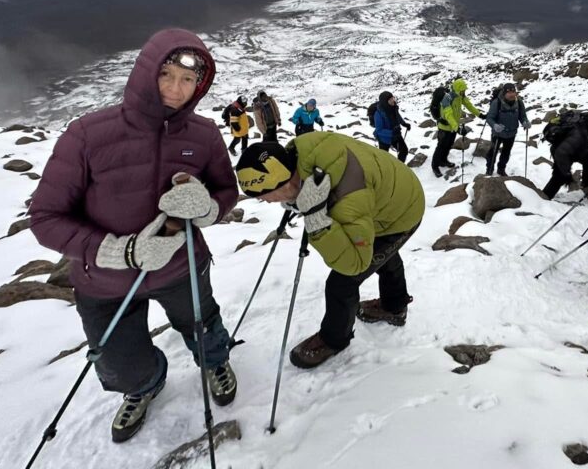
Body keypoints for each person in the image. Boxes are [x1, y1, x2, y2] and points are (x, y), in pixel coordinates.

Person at [29, 30, 239, 443]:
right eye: (166, 74)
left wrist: (208, 208)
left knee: (203, 325)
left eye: (187, 80)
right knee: (119, 362)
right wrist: (119, 251)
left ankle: (214, 360)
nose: (175, 89)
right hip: (105, 281)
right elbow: (45, 217)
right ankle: (143, 384)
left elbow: (225, 191)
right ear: (146, 73)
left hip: (181, 267)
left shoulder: (204, 135)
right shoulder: (88, 134)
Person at [235, 133, 424, 368]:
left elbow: (355, 262)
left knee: (342, 282)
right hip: (393, 193)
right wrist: (299, 199)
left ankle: (334, 339)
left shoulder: (346, 196)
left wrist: (316, 219)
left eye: (264, 195)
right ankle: (395, 306)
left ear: (283, 182)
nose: (266, 202)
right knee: (382, 253)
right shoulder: (303, 154)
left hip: (402, 212)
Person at [541, 110, 588, 199]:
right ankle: (544, 198)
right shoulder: (578, 134)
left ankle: (587, 187)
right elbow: (561, 153)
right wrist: (566, 173)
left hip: (576, 149)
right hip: (561, 151)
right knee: (560, 176)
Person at [430, 78, 483, 178]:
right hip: (444, 127)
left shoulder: (460, 96)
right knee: (441, 146)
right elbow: (448, 115)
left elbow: (469, 105)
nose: (464, 92)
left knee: (448, 145)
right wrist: (457, 128)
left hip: (453, 127)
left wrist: (480, 115)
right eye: (463, 90)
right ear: (458, 89)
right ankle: (435, 166)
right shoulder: (447, 98)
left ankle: (444, 160)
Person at [484, 83, 531, 176]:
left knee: (506, 153)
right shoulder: (496, 103)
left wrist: (525, 122)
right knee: (493, 152)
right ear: (504, 93)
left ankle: (501, 169)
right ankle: (489, 169)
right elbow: (489, 118)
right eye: (509, 92)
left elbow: (522, 116)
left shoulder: (519, 102)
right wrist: (495, 126)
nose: (512, 94)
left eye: (513, 92)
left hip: (511, 133)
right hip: (498, 133)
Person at [373, 90, 412, 162]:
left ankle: (399, 167)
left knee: (404, 151)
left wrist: (403, 123)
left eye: (393, 98)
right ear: (385, 101)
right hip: (384, 138)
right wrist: (392, 132)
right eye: (390, 99)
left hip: (396, 134)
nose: (393, 100)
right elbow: (379, 130)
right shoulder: (378, 114)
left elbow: (397, 116)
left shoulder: (393, 108)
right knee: (384, 157)